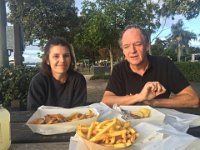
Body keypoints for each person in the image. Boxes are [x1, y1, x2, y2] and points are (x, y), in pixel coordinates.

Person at [102, 25, 199, 108]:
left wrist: (154, 102)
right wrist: (140, 97)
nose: (132, 51)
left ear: (147, 46)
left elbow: (193, 100)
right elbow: (106, 100)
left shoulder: (165, 64)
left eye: (138, 44)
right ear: (123, 50)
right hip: (128, 125)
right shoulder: (119, 69)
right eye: (126, 46)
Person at [27, 37, 87, 110]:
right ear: (47, 60)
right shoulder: (38, 81)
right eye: (56, 56)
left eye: (66, 56)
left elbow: (79, 113)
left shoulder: (78, 80)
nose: (62, 60)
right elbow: (33, 112)